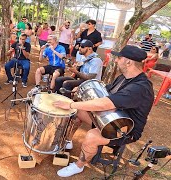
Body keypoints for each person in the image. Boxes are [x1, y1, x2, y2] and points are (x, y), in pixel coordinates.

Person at [52, 45, 154, 177]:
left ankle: (79, 166)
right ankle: (68, 141)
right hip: (107, 118)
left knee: (92, 136)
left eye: (119, 58)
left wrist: (71, 104)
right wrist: (81, 89)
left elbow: (106, 104)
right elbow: (106, 90)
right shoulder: (123, 77)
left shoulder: (140, 88)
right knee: (77, 112)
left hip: (125, 129)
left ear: (128, 62)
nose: (116, 61)